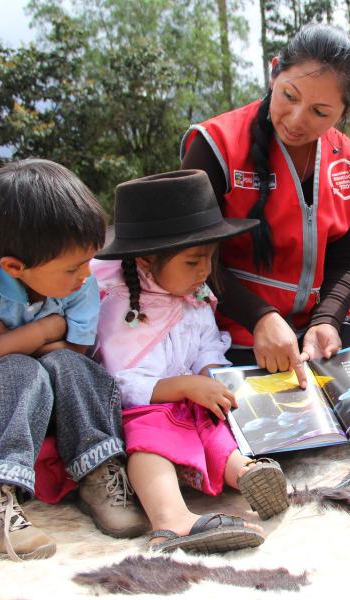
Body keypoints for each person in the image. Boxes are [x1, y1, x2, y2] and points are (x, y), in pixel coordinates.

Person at [0, 159, 147, 561]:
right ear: (15, 267)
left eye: (89, 261)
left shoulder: (74, 274)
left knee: (72, 368)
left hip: (33, 390)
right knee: (22, 369)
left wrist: (8, 340)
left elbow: (77, 350)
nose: (87, 276)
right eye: (74, 268)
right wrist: (40, 333)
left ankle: (98, 470)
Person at [92, 170, 290, 554]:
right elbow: (119, 382)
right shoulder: (122, 307)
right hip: (142, 410)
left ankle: (244, 474)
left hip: (188, 398)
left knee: (214, 423)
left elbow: (206, 346)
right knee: (152, 440)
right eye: (193, 261)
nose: (204, 271)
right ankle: (170, 520)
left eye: (210, 259)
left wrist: (209, 375)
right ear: (147, 260)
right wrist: (183, 387)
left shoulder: (195, 296)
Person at [180, 23, 350, 387]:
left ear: (345, 112)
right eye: (289, 96)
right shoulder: (216, 145)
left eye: (320, 112)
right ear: (274, 70)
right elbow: (190, 256)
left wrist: (327, 320)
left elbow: (347, 262)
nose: (297, 121)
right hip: (226, 334)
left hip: (315, 338)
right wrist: (260, 318)